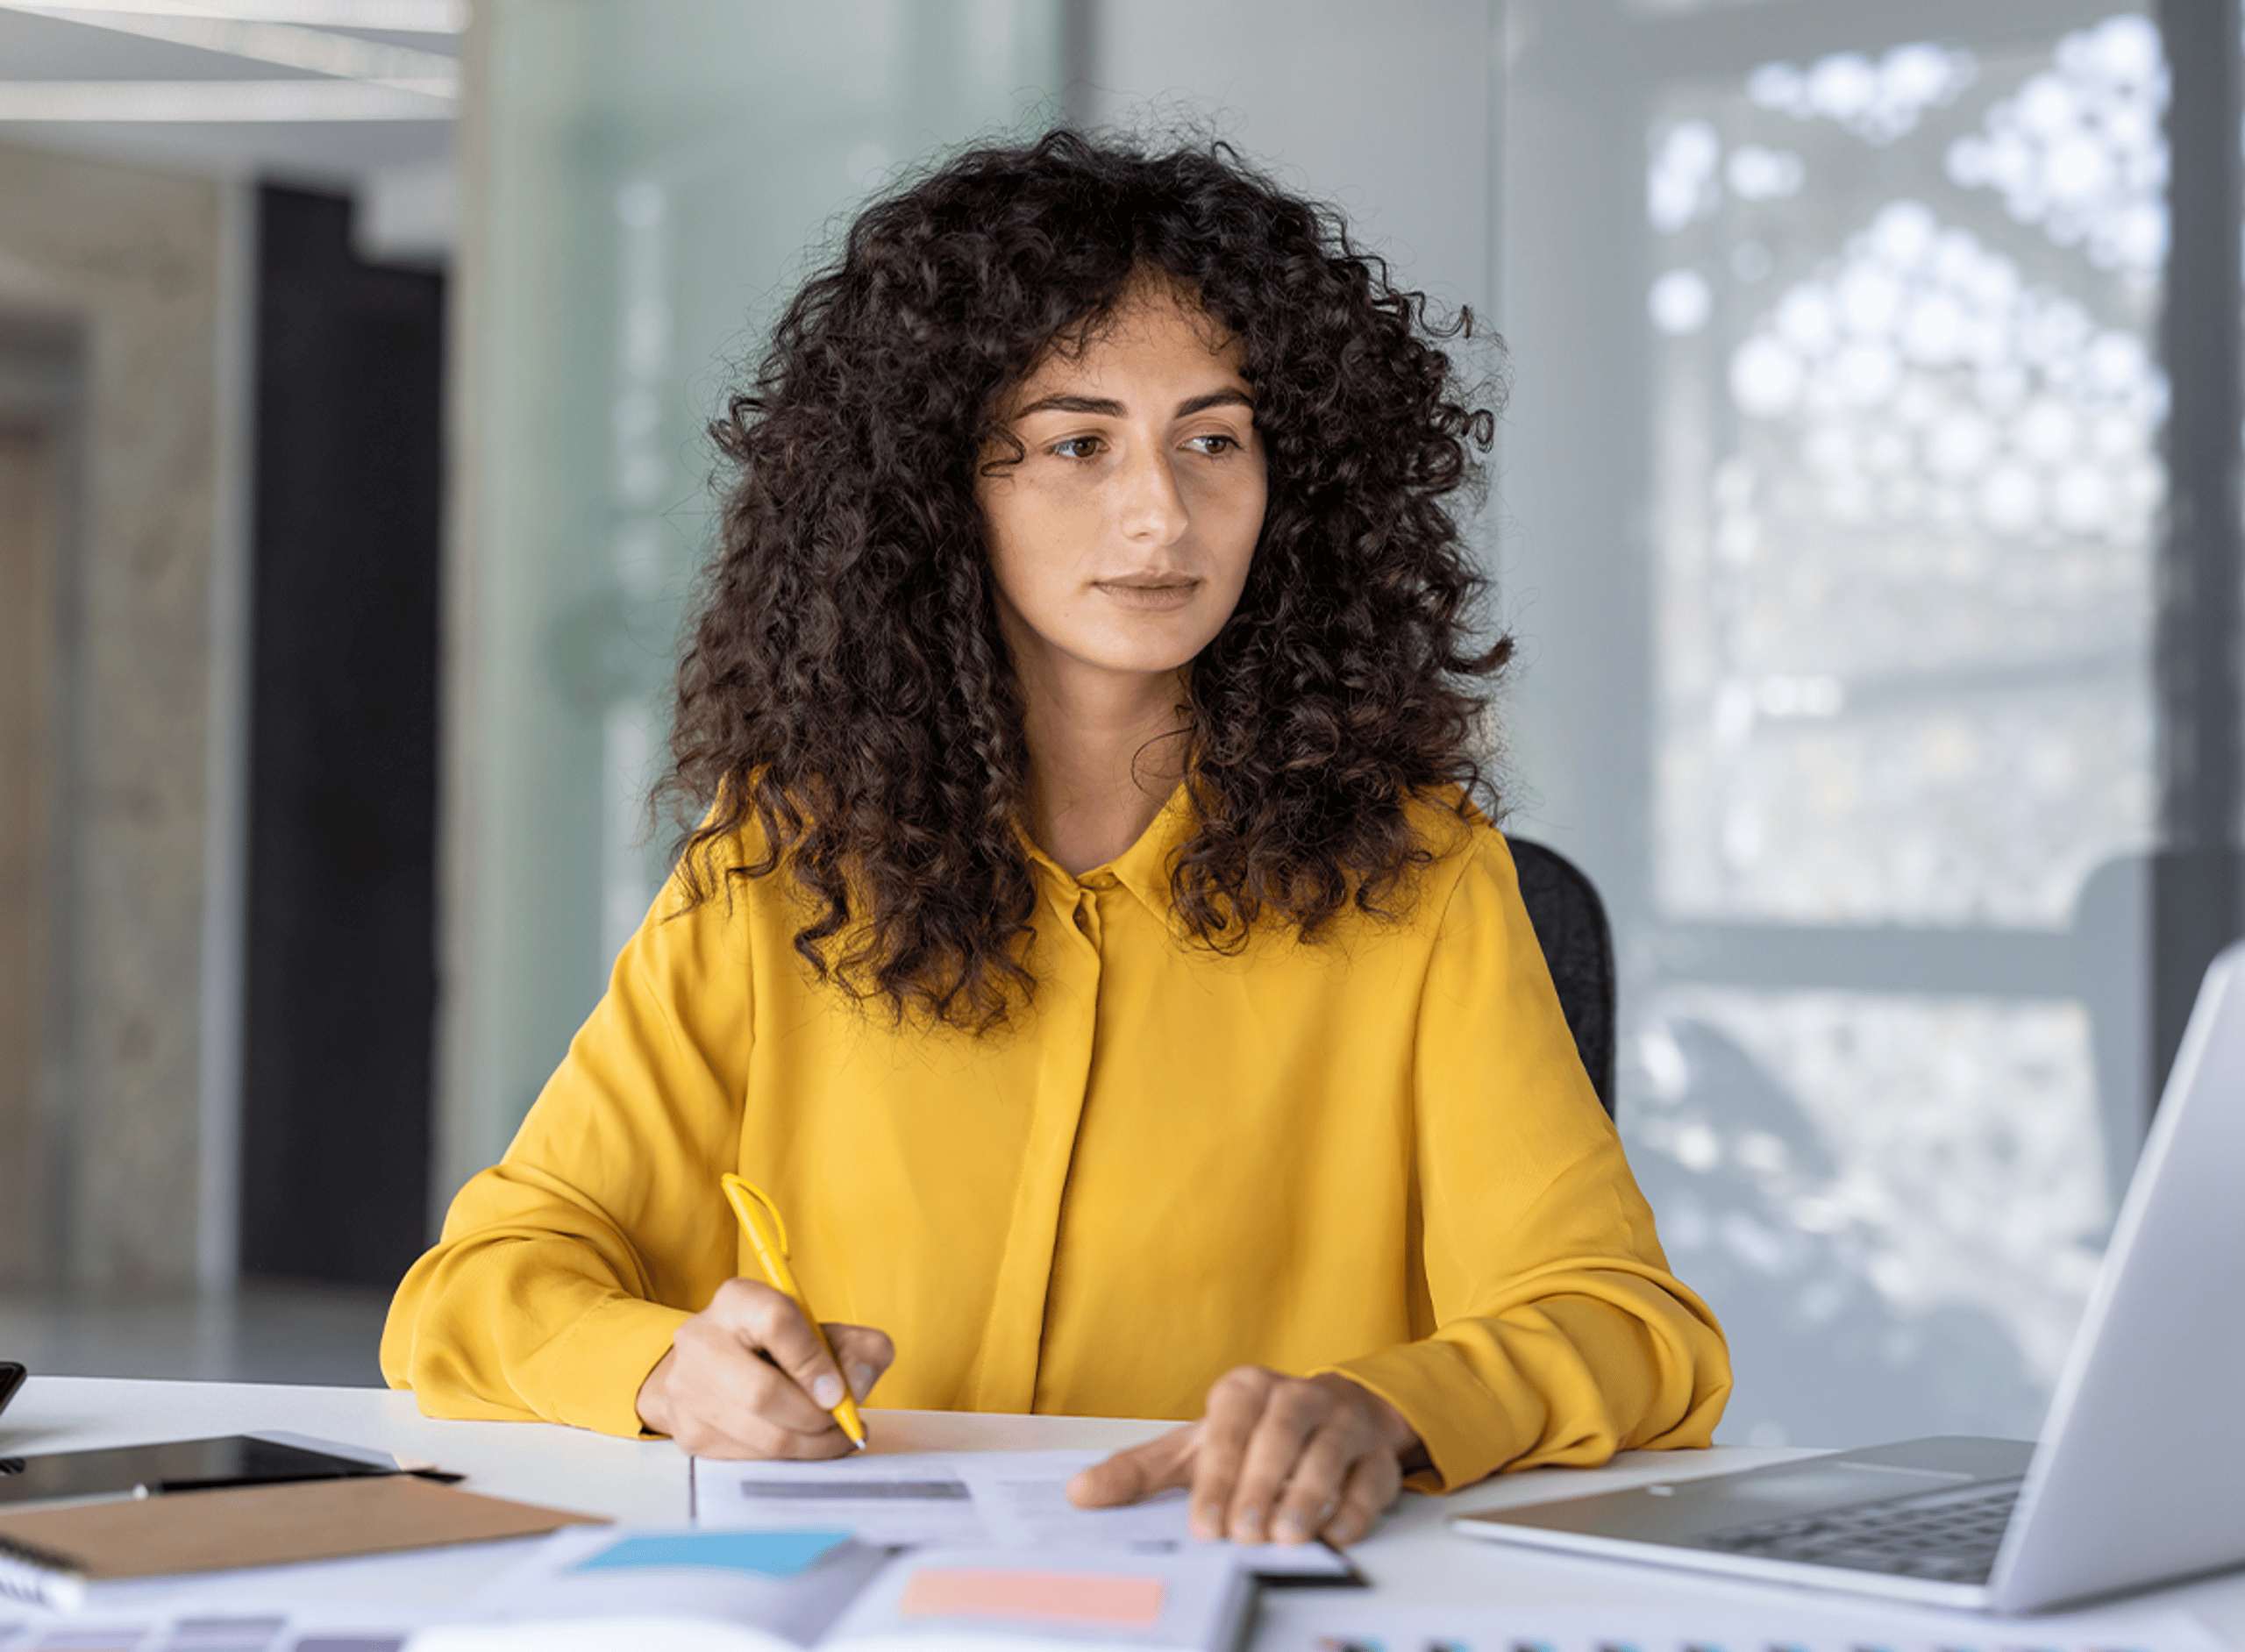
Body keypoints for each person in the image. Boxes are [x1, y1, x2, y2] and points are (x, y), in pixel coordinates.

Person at [381, 128, 1730, 1549]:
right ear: (938, 488)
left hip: (1241, 1598)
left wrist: (1390, 1411)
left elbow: (1630, 1330)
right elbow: (474, 1288)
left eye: (1214, 441)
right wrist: (664, 1371)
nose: (1162, 514)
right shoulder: (780, 861)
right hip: (860, 1601)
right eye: (1080, 444)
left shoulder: (1422, 876)